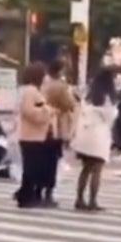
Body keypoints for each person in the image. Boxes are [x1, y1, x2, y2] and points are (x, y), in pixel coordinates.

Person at [70, 67, 117, 211]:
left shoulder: (89, 96)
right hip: (98, 136)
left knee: (85, 169)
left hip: (84, 135)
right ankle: (92, 201)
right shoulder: (107, 98)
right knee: (97, 170)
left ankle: (79, 199)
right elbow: (111, 116)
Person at [15, 62, 53, 208]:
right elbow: (28, 111)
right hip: (30, 135)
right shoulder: (30, 91)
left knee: (32, 167)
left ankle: (26, 194)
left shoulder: (35, 91)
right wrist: (46, 112)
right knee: (31, 167)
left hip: (35, 135)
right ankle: (25, 197)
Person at [42, 59, 78, 207]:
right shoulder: (60, 87)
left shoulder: (43, 83)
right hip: (55, 126)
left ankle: (38, 190)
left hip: (41, 126)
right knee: (52, 161)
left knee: (41, 160)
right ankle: (48, 193)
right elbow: (70, 104)